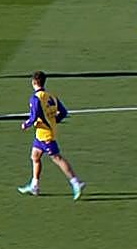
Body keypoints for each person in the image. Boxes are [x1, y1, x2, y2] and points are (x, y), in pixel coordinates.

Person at [16, 71, 85, 200]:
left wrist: (26, 124)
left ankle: (76, 182)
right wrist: (54, 121)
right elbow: (63, 112)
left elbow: (34, 116)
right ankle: (34, 185)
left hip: (45, 134)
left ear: (33, 82)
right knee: (35, 156)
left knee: (57, 158)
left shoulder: (35, 98)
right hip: (42, 133)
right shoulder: (51, 96)